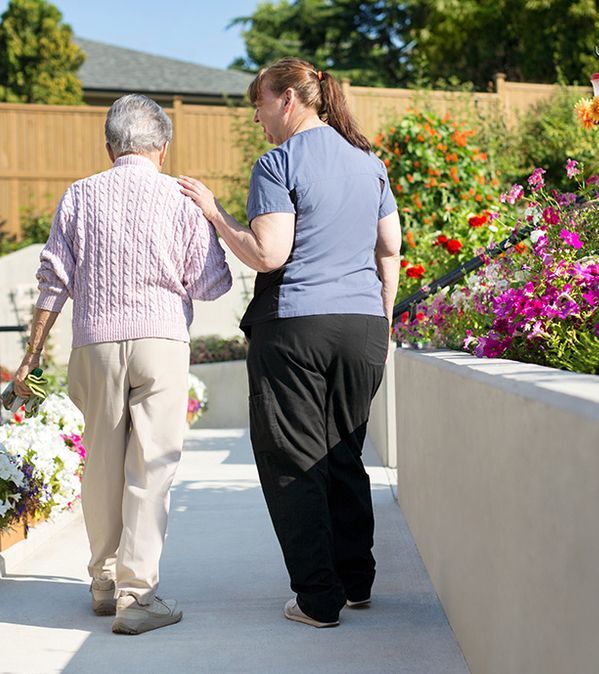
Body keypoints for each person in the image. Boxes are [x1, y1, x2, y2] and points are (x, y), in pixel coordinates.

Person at [178, 57, 402, 628]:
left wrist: (214, 214)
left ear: (286, 100)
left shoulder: (278, 162)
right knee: (343, 453)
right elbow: (389, 250)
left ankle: (317, 598)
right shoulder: (369, 163)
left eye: (257, 103)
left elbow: (269, 254)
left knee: (295, 462)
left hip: (296, 328)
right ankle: (356, 582)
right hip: (363, 328)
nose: (256, 117)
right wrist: (382, 319)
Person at [14, 93, 232, 636]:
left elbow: (53, 280)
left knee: (103, 467)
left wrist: (32, 356)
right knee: (150, 468)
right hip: (160, 341)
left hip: (93, 343)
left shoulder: (79, 195)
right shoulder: (181, 199)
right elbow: (211, 284)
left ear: (110, 146)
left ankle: (103, 583)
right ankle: (137, 598)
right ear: (162, 147)